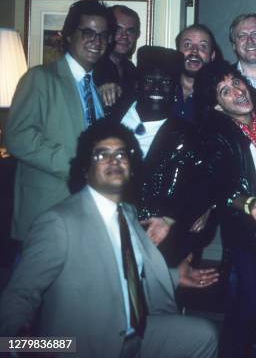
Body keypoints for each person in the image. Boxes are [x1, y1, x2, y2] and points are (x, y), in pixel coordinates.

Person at [0, 120, 219, 358]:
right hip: (82, 344)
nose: (114, 160)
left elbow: (128, 275)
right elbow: (20, 293)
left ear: (132, 167)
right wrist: (19, 346)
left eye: (121, 154)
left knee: (203, 335)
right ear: (85, 168)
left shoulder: (128, 214)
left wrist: (176, 276)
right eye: (101, 155)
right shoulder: (59, 222)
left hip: (133, 333)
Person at [193, 60, 256, 357]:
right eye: (225, 91)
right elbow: (217, 184)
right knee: (249, 301)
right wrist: (247, 203)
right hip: (245, 229)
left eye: (236, 82)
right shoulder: (219, 136)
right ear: (219, 107)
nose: (236, 92)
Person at [5, 0, 113, 243]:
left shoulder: (96, 88)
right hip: (47, 208)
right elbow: (17, 138)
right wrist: (76, 166)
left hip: (87, 212)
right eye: (88, 33)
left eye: (103, 35)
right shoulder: (40, 78)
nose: (97, 41)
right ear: (68, 36)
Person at [115, 46, 207, 265]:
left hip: (159, 238)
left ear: (174, 89)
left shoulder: (187, 134)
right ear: (138, 84)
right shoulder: (111, 118)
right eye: (149, 81)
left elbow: (202, 185)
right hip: (108, 232)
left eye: (165, 83)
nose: (156, 88)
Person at [94, 5, 141, 113]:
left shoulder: (133, 71)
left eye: (130, 31)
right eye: (118, 29)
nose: (124, 36)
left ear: (137, 35)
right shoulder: (91, 67)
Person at [174, 23, 221, 122]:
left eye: (203, 46)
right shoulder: (162, 89)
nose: (194, 51)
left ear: (212, 56)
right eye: (187, 45)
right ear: (177, 52)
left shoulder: (220, 96)